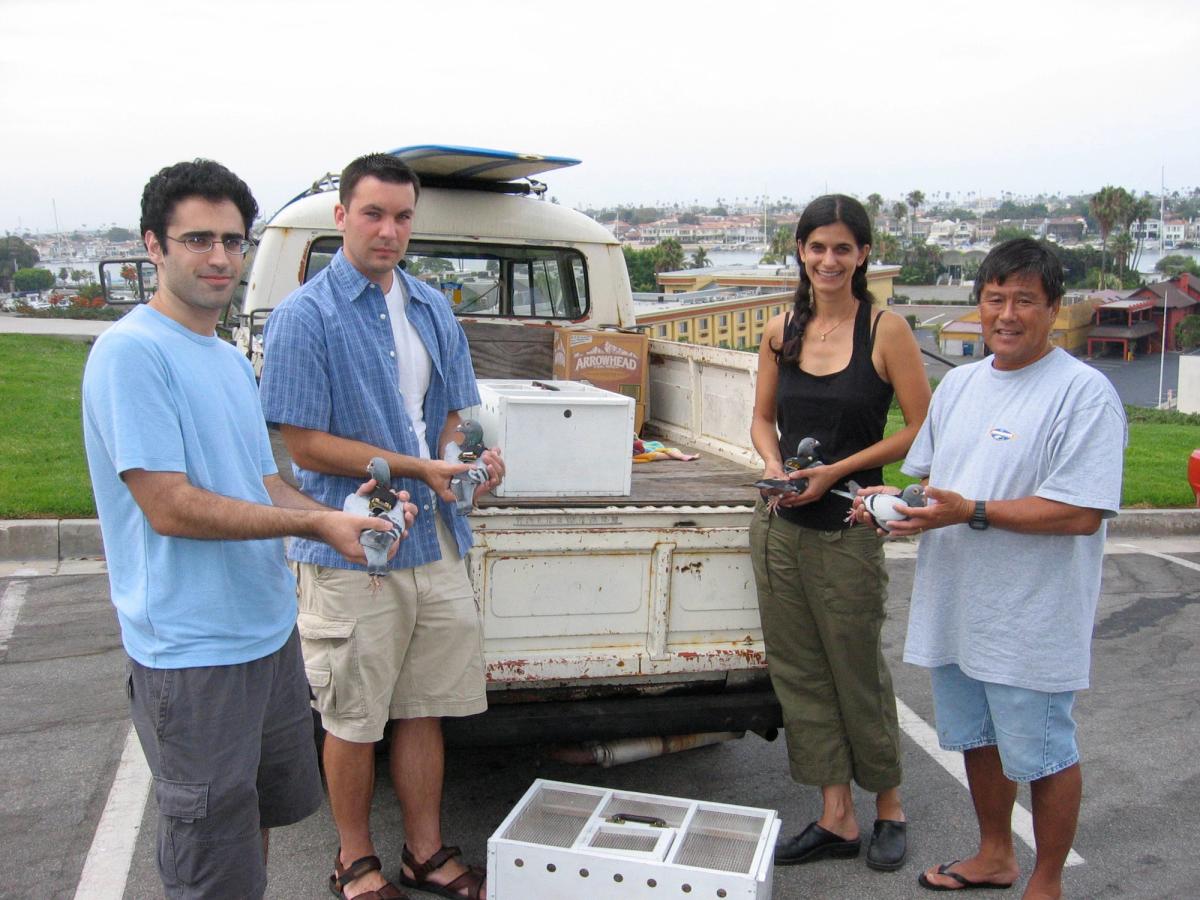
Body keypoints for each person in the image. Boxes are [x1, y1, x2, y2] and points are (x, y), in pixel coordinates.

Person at [82, 159, 411, 900]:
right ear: (153, 247)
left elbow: (260, 482)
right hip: (192, 653)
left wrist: (344, 514)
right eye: (198, 239)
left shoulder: (230, 360)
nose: (221, 257)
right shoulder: (131, 354)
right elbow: (169, 504)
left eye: (233, 240)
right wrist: (319, 526)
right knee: (208, 864)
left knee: (247, 832)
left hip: (265, 634)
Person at [259, 153, 503, 900]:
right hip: (351, 546)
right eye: (373, 214)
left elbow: (453, 420)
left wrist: (466, 464)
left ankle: (424, 854)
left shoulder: (431, 307)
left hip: (434, 542)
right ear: (341, 218)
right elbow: (302, 442)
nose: (389, 231)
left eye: (402, 217)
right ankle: (354, 859)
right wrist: (416, 467)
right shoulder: (307, 315)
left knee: (426, 706)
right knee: (354, 715)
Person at [859, 238, 1125, 898]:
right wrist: (887, 503)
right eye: (994, 297)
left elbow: (1080, 513)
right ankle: (996, 854)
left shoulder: (1082, 394)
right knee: (977, 738)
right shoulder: (962, 385)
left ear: (1054, 310)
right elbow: (932, 485)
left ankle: (1047, 880)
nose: (1007, 313)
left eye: (1024, 300)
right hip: (959, 602)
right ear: (979, 303)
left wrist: (972, 510)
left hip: (1032, 614)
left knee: (1043, 751)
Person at [749, 194, 931, 872]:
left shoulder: (885, 328)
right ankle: (835, 815)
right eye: (817, 246)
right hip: (779, 529)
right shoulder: (781, 329)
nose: (829, 259)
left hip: (847, 528)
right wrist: (773, 466)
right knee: (799, 675)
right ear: (800, 250)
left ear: (862, 255)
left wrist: (836, 472)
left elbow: (918, 424)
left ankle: (888, 807)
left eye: (843, 248)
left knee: (856, 672)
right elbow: (762, 417)